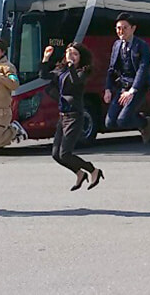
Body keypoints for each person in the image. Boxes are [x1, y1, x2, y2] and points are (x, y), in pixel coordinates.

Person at [41, 43, 104, 191]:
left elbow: (76, 82)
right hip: (63, 116)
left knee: (65, 153)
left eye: (75, 54)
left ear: (81, 57)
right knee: (56, 154)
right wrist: (46, 58)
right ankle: (79, 173)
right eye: (69, 53)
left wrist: (70, 67)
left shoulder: (83, 71)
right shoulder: (61, 70)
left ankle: (93, 170)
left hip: (75, 116)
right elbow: (44, 75)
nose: (71, 56)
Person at [105, 12, 150, 143]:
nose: (121, 31)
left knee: (122, 120)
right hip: (122, 86)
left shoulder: (142, 46)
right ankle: (136, 117)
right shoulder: (116, 45)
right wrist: (108, 89)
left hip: (138, 86)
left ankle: (144, 123)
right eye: (118, 28)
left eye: (125, 28)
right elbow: (111, 68)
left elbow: (142, 70)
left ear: (133, 28)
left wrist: (132, 90)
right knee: (109, 122)